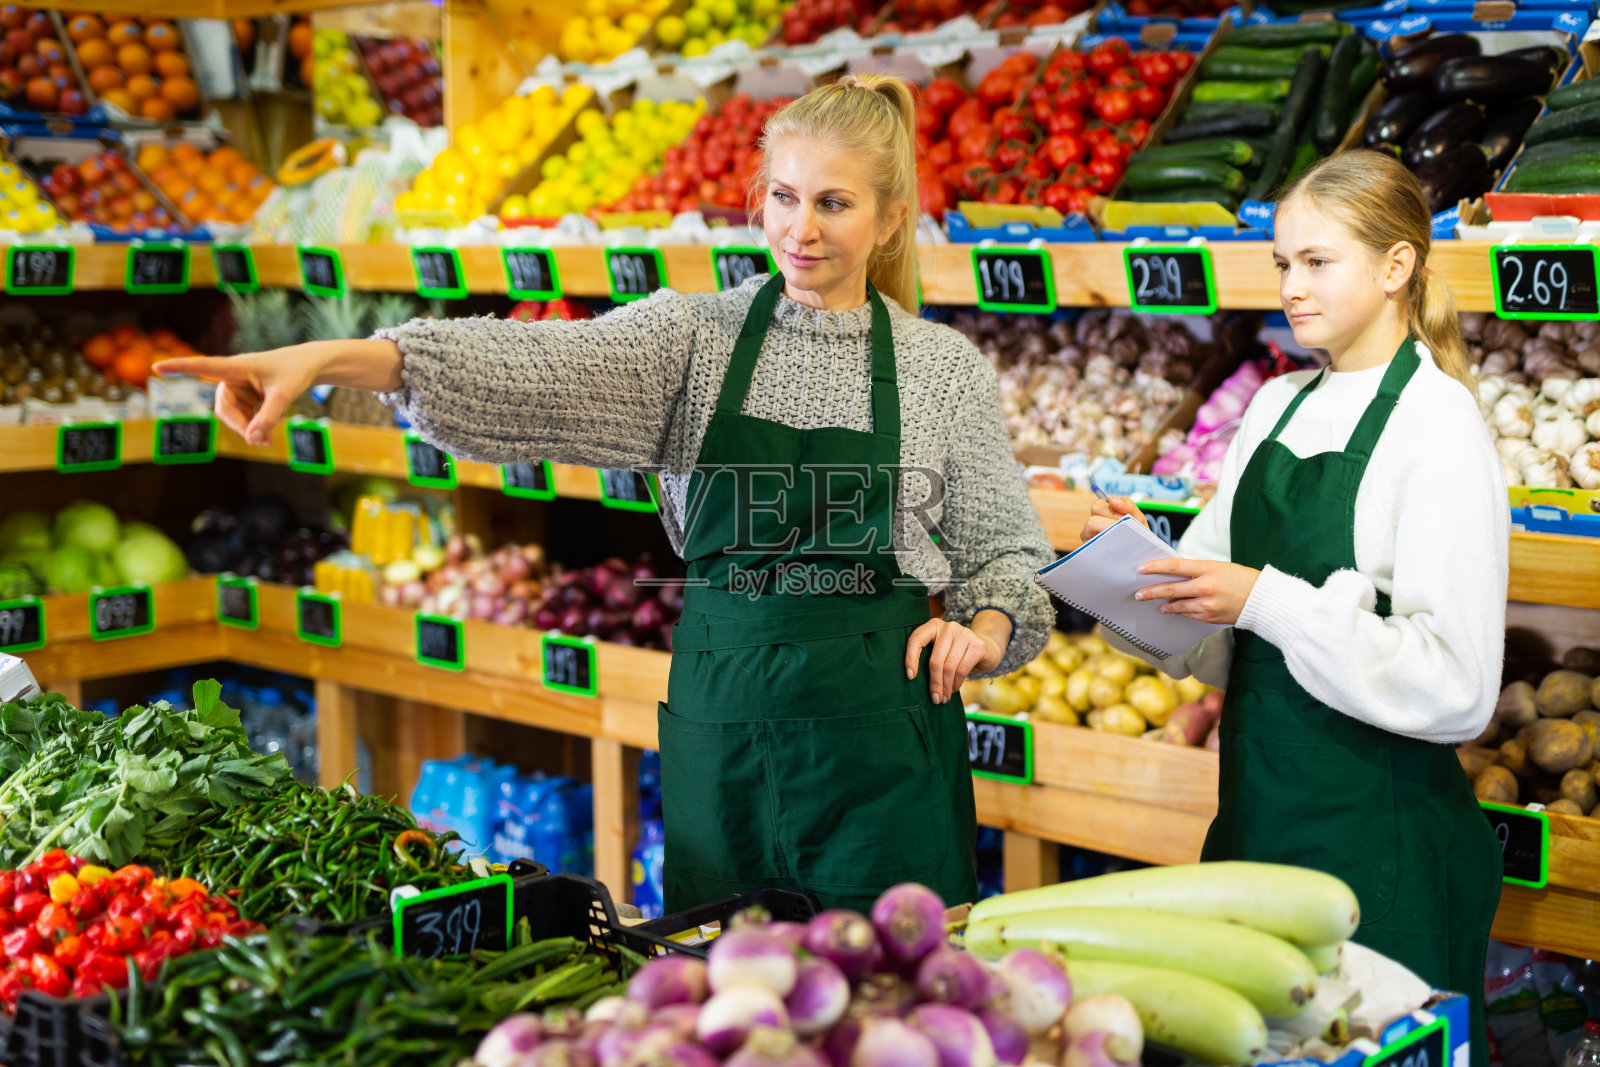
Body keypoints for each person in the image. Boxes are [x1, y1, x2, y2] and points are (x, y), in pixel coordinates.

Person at [158, 74, 1054, 912]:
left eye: (834, 203)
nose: (801, 230)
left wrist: (984, 630)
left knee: (901, 1006)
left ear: (893, 218)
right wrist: (328, 359)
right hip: (726, 739)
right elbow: (526, 364)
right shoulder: (693, 340)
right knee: (721, 996)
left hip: (885, 755)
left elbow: (1006, 552)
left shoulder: (943, 372)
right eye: (784, 197)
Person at [1082, 150, 1505, 1061]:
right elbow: (1212, 621)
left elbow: (1460, 688)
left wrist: (1266, 599)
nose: (1292, 285)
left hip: (1383, 853)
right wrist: (1128, 570)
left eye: (1318, 261)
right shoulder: (1273, 405)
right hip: (1254, 827)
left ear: (1397, 268)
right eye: (1282, 263)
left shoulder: (1439, 425)